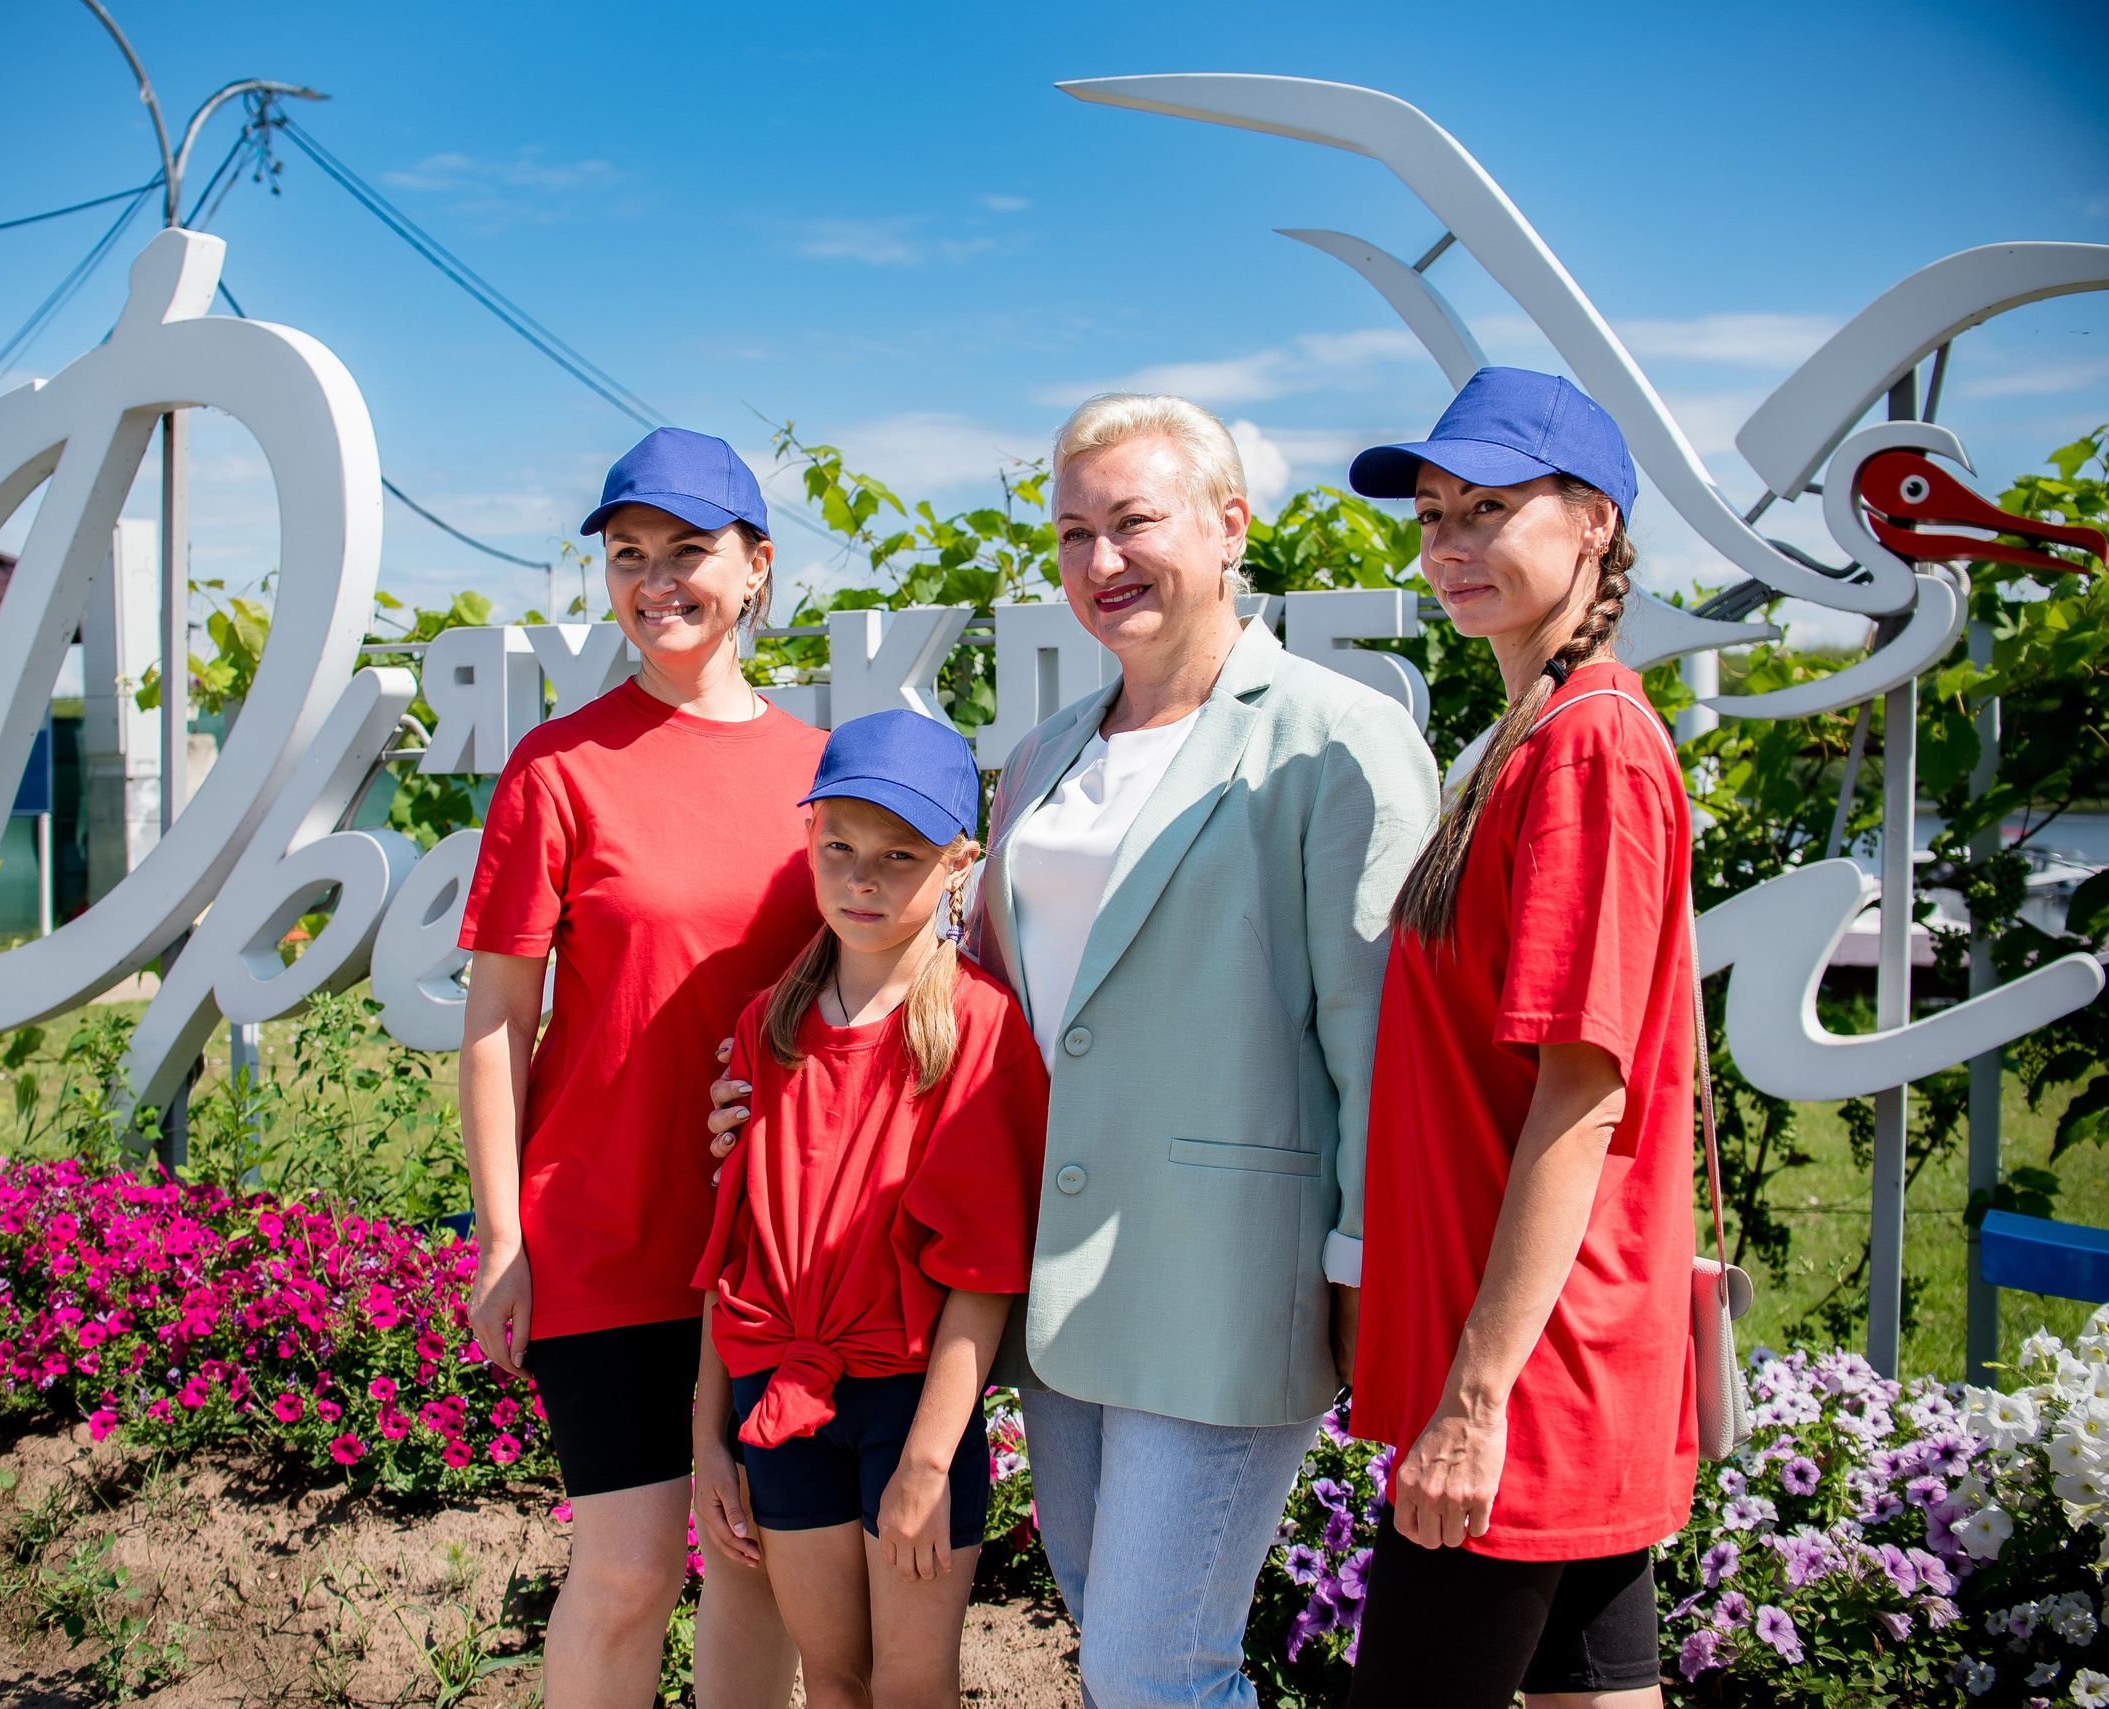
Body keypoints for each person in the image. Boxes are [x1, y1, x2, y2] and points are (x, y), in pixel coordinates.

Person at [707, 395, 1435, 1706]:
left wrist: (1362, 1267)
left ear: (1229, 527)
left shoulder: (1337, 734)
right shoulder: (1044, 755)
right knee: (1116, 1647)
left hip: (1226, 1283)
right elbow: (966, 1005)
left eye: (1135, 523)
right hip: (1058, 1287)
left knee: (1158, 1671)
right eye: (1075, 532)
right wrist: (776, 1106)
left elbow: (1380, 1036)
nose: (1102, 562)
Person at [1340, 367, 1697, 1709]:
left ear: (1595, 521)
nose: (1450, 546)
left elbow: (1582, 1093)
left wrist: (1475, 1396)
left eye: (1489, 508)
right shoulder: (1532, 733)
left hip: (1528, 1378)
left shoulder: (1586, 749)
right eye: (1433, 515)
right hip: (1557, 1354)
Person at [460, 427, 818, 1707]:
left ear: (756, 566)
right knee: (625, 1573)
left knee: (759, 1564)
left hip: (773, 1245)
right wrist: (503, 1231)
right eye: (627, 556)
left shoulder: (820, 775)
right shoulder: (556, 766)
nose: (655, 581)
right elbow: (498, 1013)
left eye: (687, 551)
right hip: (604, 1231)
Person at [690, 709, 1048, 1707]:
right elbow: (735, 1254)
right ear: (808, 838)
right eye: (840, 846)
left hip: (909, 1405)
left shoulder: (976, 1028)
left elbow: (982, 1276)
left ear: (958, 860)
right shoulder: (767, 1024)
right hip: (778, 1398)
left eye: (900, 855)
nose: (863, 879)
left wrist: (929, 1457)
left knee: (910, 1678)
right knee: (833, 1676)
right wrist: (707, 1438)